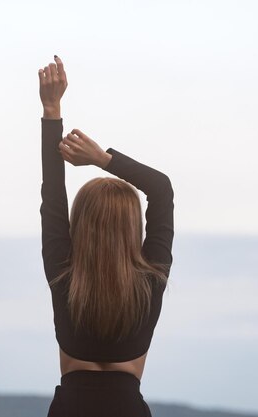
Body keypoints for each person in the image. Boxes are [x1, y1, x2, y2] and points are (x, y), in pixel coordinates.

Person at [38, 55, 174, 417]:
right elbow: (161, 189)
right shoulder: (151, 280)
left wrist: (52, 110)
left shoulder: (63, 274)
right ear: (134, 227)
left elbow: (52, 194)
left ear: (79, 223)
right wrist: (102, 158)